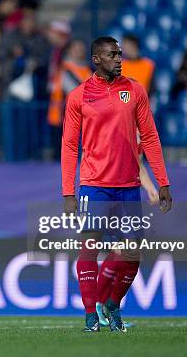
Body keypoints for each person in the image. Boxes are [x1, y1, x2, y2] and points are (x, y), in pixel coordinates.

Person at [61, 36, 172, 332]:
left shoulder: (134, 90)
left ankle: (112, 303)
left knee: (132, 254)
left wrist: (162, 181)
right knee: (89, 249)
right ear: (96, 59)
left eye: (120, 54)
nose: (119, 59)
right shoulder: (78, 96)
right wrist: (68, 191)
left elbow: (149, 136)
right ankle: (89, 314)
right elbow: (70, 146)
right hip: (94, 184)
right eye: (112, 55)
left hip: (128, 185)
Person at [47, 39, 92, 160]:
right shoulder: (65, 68)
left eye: (81, 49)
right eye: (76, 49)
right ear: (70, 51)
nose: (79, 51)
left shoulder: (86, 68)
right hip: (64, 112)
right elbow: (74, 90)